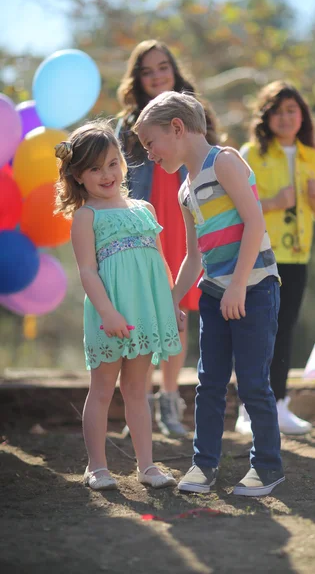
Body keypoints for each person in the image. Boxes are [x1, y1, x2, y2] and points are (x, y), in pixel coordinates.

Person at [134, 91, 285, 497]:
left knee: (253, 382)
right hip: (215, 294)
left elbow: (254, 224)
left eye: (151, 143)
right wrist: (169, 300)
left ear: (178, 128)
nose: (149, 154)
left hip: (254, 290)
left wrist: (237, 285)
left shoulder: (226, 161)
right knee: (209, 383)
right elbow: (193, 255)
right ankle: (204, 464)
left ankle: (267, 466)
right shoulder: (186, 190)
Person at [54, 120, 183, 490]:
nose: (106, 174)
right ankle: (97, 466)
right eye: (94, 168)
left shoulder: (144, 208)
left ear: (123, 162)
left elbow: (160, 262)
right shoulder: (86, 216)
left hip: (144, 313)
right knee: (102, 389)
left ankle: (147, 465)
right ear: (78, 176)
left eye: (112, 163)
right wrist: (109, 313)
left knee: (137, 390)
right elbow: (88, 272)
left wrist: (170, 304)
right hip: (109, 315)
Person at [116, 40, 219, 437]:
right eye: (147, 70)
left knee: (179, 307)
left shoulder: (196, 114)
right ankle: (137, 405)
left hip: (186, 218)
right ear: (137, 78)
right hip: (143, 221)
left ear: (174, 70)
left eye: (163, 67)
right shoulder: (129, 125)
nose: (157, 75)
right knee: (139, 307)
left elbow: (209, 162)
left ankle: (170, 403)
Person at [238, 81, 315, 435]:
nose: (285, 117)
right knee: (254, 329)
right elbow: (235, 208)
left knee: (284, 329)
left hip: (296, 255)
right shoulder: (249, 154)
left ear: (302, 116)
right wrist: (274, 202)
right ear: (266, 117)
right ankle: (248, 410)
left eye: (292, 110)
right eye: (277, 110)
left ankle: (279, 405)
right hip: (258, 253)